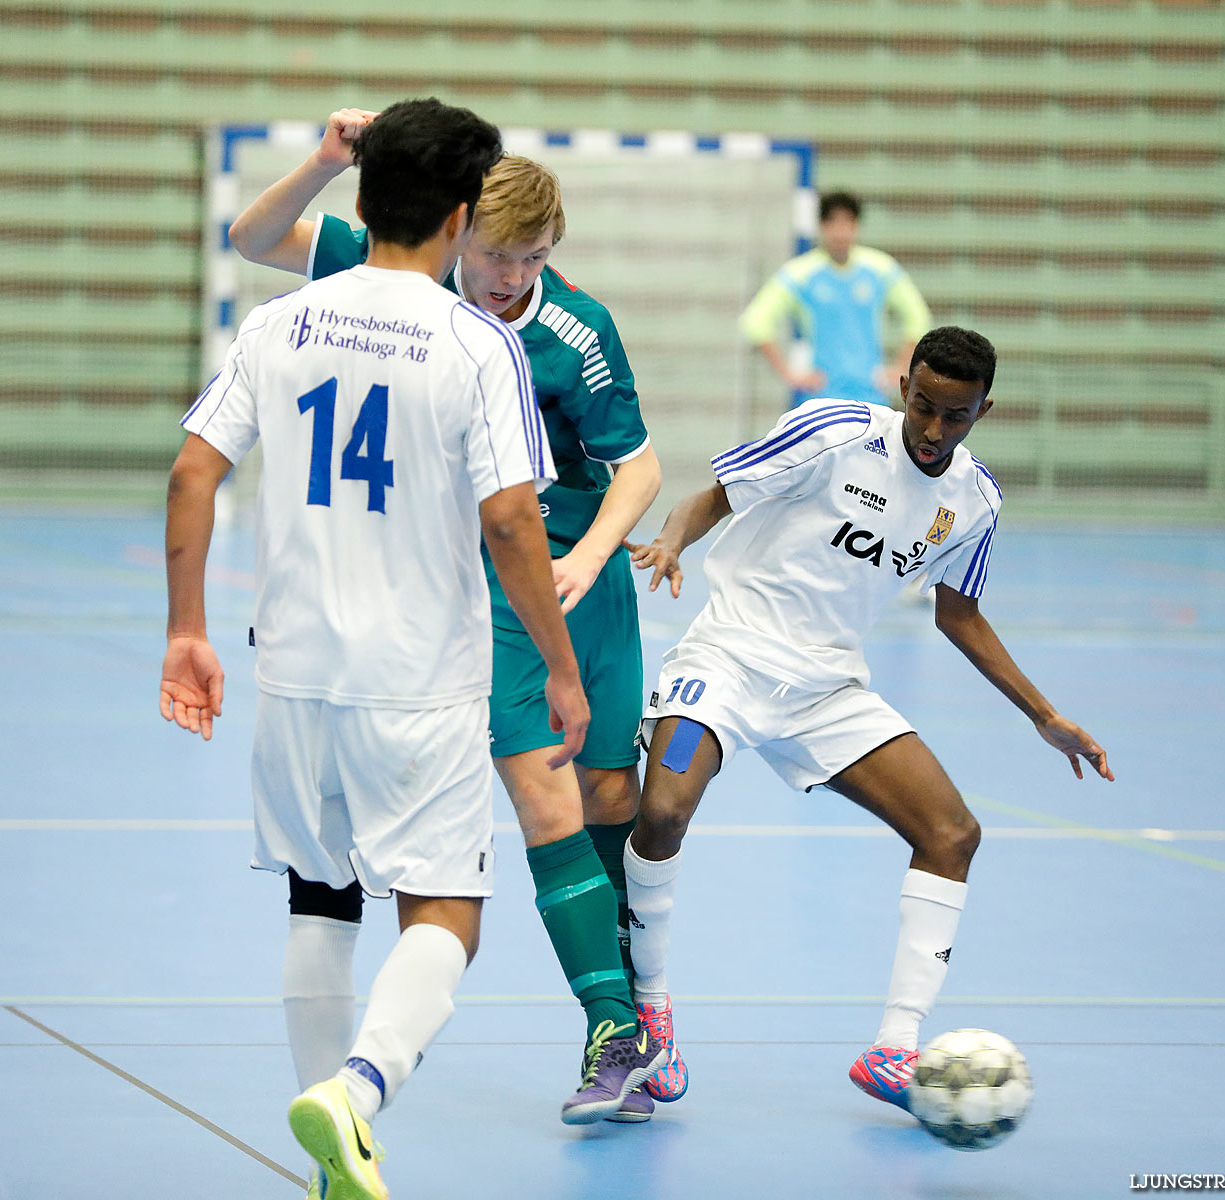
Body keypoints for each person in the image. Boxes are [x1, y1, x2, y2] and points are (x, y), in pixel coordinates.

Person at [161, 98, 605, 1200]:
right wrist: (558, 665)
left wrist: (185, 631)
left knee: (320, 896)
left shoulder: (282, 321)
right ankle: (356, 1096)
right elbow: (511, 522)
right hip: (418, 682)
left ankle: (329, 1169)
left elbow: (192, 474)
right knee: (447, 908)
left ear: (361, 204)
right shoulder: (480, 343)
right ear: (463, 218)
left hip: (292, 669)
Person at [229, 109, 674, 1122]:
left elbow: (638, 465)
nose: (512, 276)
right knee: (546, 802)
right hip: (496, 591)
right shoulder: (400, 276)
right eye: (497, 255)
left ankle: (639, 1017)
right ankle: (612, 1025)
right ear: (456, 228)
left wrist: (592, 556)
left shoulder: (578, 329)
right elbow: (254, 241)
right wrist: (323, 162)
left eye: (535, 259)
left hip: (581, 586)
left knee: (614, 802)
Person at [622, 326, 1114, 1114]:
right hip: (728, 657)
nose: (932, 429)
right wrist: (674, 541)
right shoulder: (837, 431)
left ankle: (897, 1047)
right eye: (922, 405)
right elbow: (715, 492)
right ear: (904, 388)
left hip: (829, 688)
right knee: (662, 811)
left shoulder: (975, 501)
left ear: (984, 411)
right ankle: (651, 1015)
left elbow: (960, 616)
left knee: (953, 834)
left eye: (955, 416)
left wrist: (1044, 716)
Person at [740, 189, 933, 410]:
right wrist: (789, 374)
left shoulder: (881, 268)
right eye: (833, 223)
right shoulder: (800, 273)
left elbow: (918, 317)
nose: (841, 232)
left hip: (871, 397)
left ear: (857, 225)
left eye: (848, 222)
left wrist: (901, 366)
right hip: (820, 399)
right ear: (822, 226)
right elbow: (754, 322)